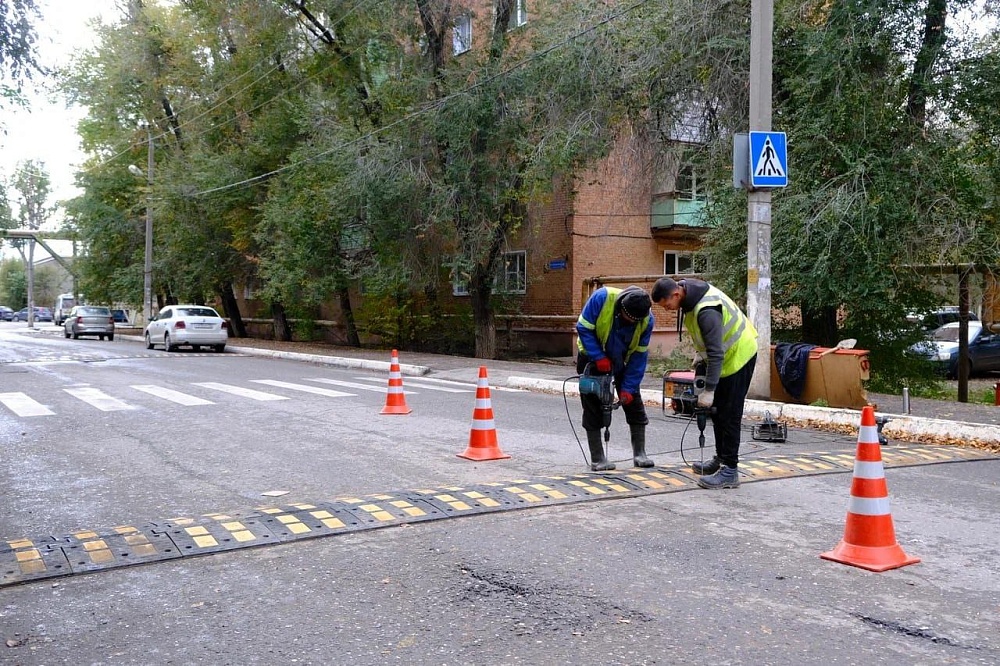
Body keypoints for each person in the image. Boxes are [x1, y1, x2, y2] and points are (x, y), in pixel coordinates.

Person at [651, 277, 758, 489]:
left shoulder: (706, 310)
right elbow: (708, 342)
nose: (668, 310)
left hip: (738, 356)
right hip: (723, 357)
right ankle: (721, 458)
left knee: (729, 413)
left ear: (676, 294)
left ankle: (730, 470)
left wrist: (709, 389)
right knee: (717, 411)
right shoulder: (689, 299)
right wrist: (701, 357)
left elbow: (717, 352)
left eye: (667, 305)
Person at [576, 285, 654, 471]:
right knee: (594, 405)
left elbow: (639, 356)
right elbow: (583, 327)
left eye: (634, 320)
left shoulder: (647, 321)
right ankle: (598, 458)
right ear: (621, 308)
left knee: (634, 403)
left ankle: (640, 454)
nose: (630, 322)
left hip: (622, 362)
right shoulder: (602, 298)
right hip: (592, 358)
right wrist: (598, 356)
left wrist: (628, 388)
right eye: (627, 318)